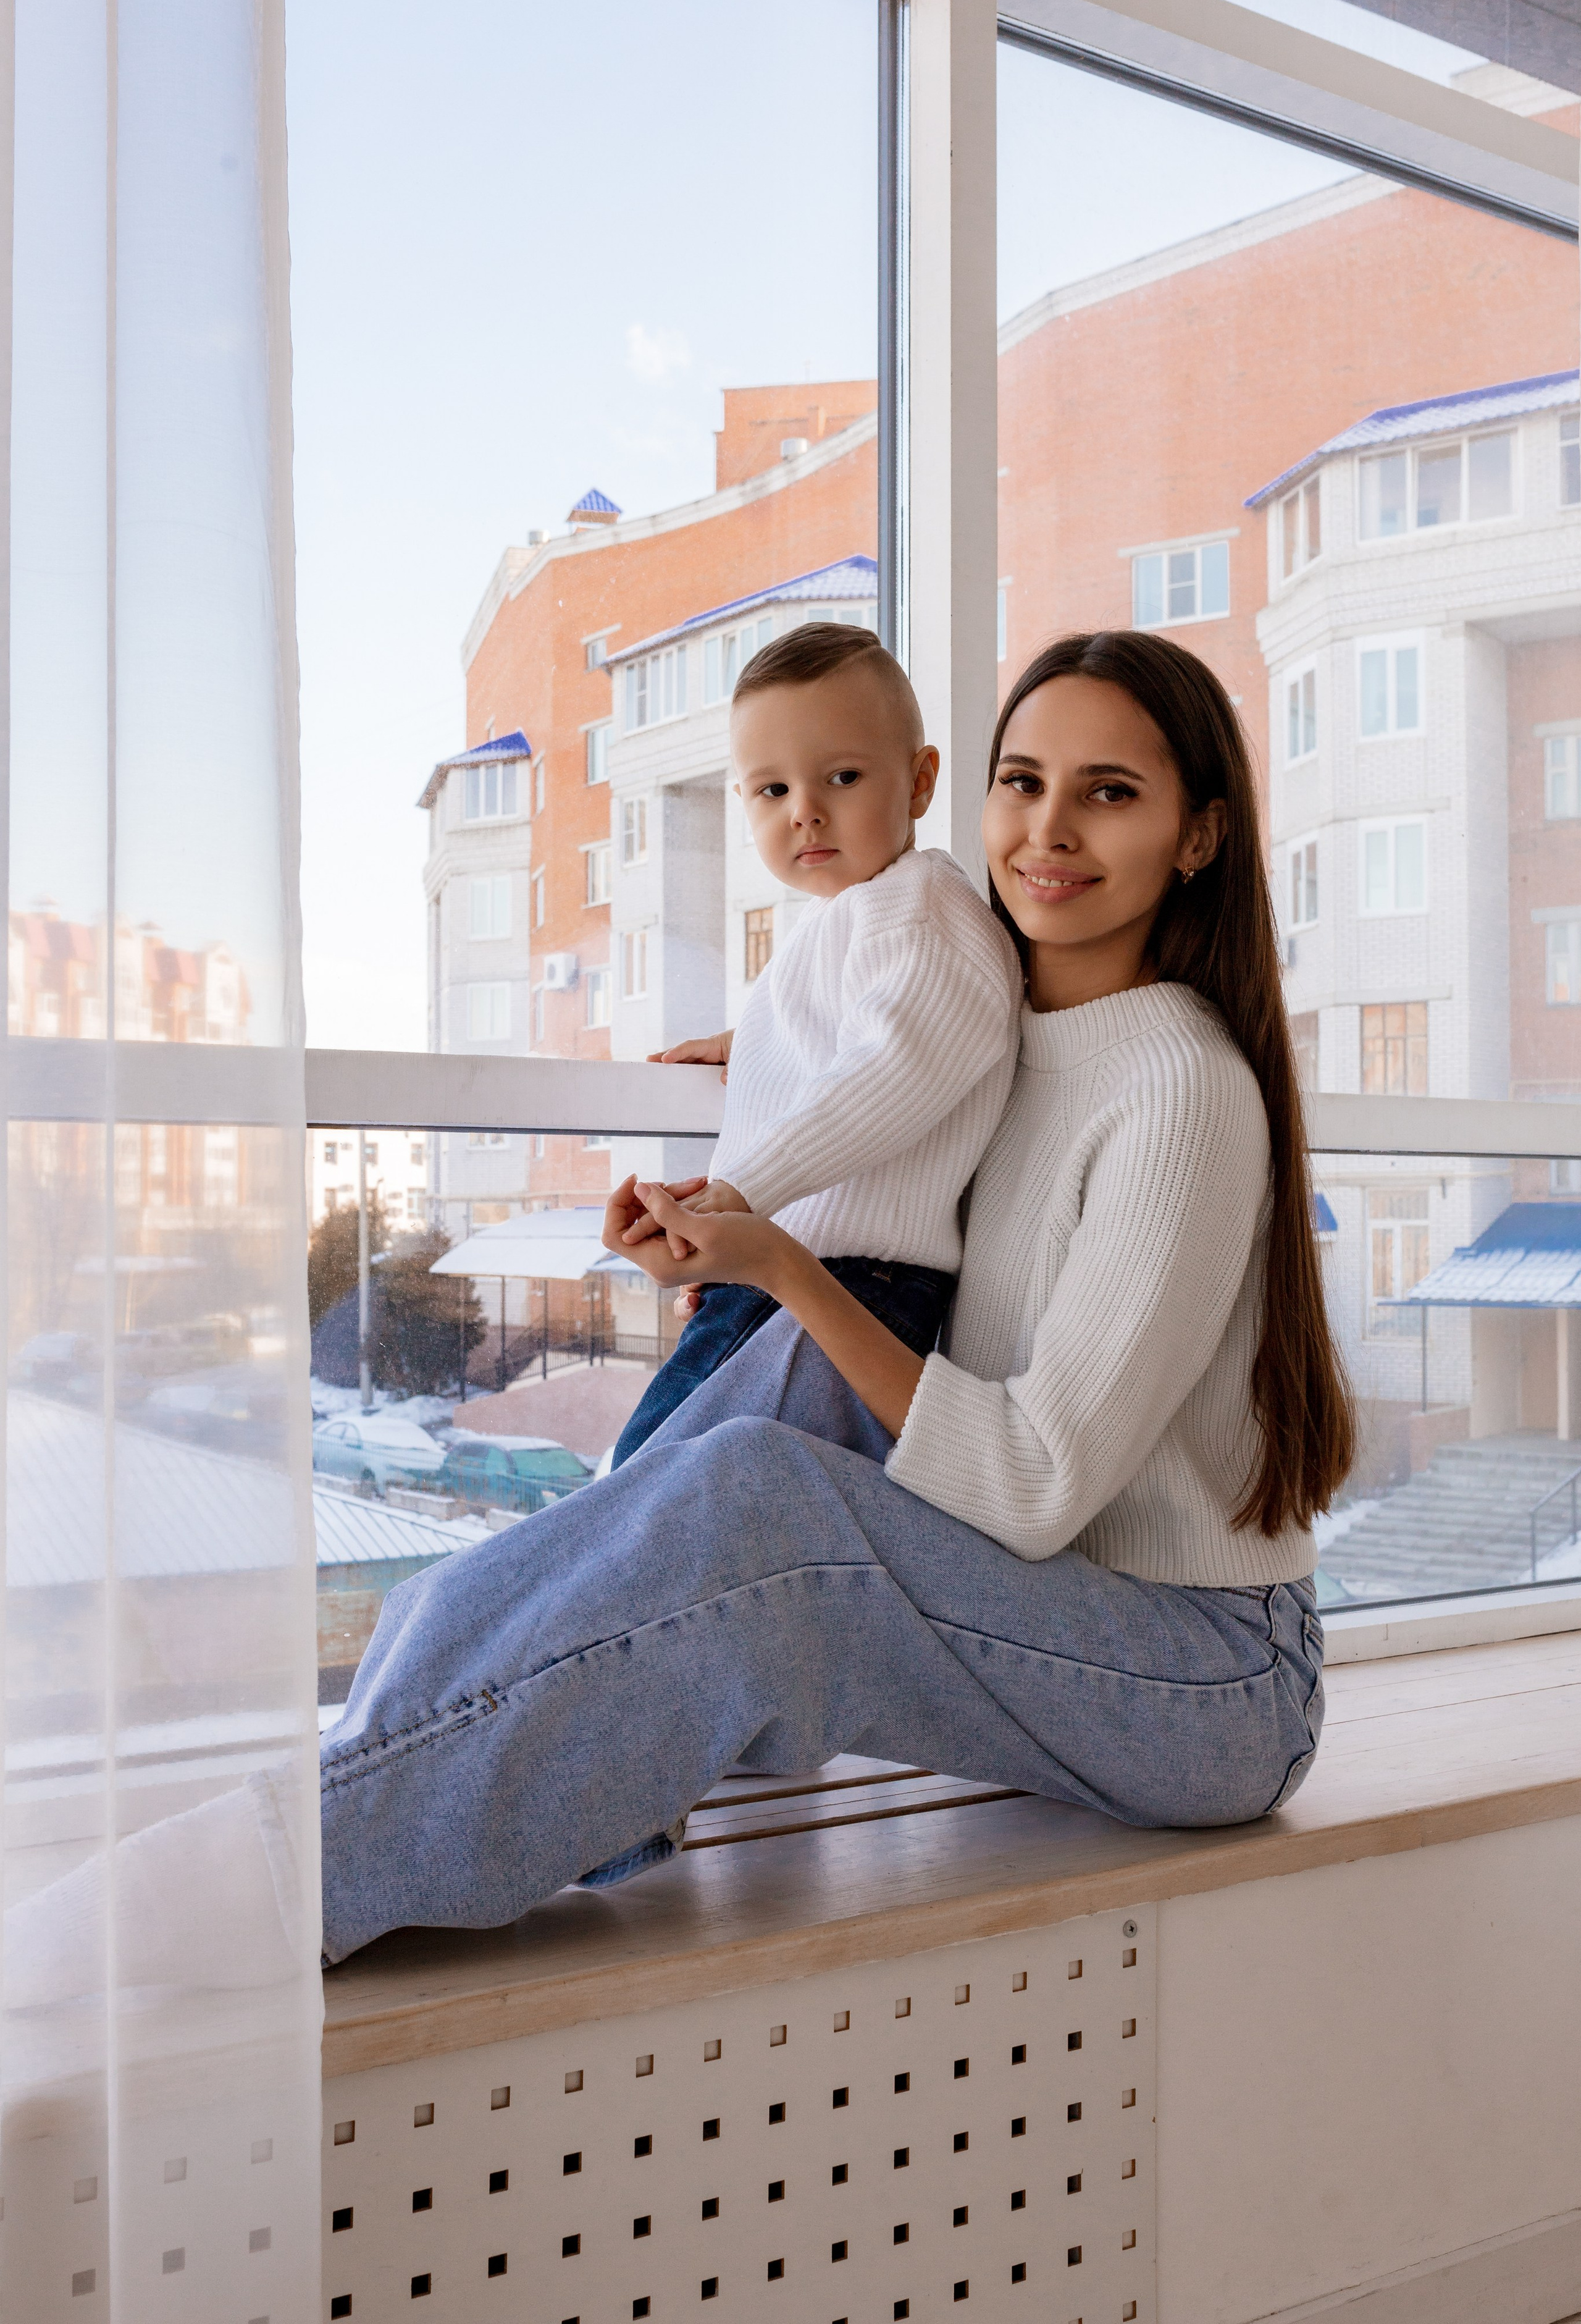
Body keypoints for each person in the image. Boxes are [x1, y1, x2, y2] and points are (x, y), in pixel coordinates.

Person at [1, 630, 1353, 1998]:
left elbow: (1033, 1485)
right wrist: (766, 1043)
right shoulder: (1009, 1028)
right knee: (642, 1507)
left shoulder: (1174, 1086)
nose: (1046, 830)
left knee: (752, 1500)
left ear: (1198, 837)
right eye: (1020, 783)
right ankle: (351, 1781)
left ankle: (262, 1890)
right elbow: (903, 1030)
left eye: (1109, 793)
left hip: (1203, 1685)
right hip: (1066, 1619)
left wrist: (783, 1269)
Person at [610, 619, 1020, 1467]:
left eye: (842, 776)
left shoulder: (924, 910)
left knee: (645, 1501)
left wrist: (742, 1194)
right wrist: (752, 1041)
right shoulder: (857, 917)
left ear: (919, 781)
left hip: (851, 1286)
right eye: (771, 791)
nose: (805, 812)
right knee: (653, 1498)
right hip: (801, 1277)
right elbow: (864, 1028)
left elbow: (892, 1072)